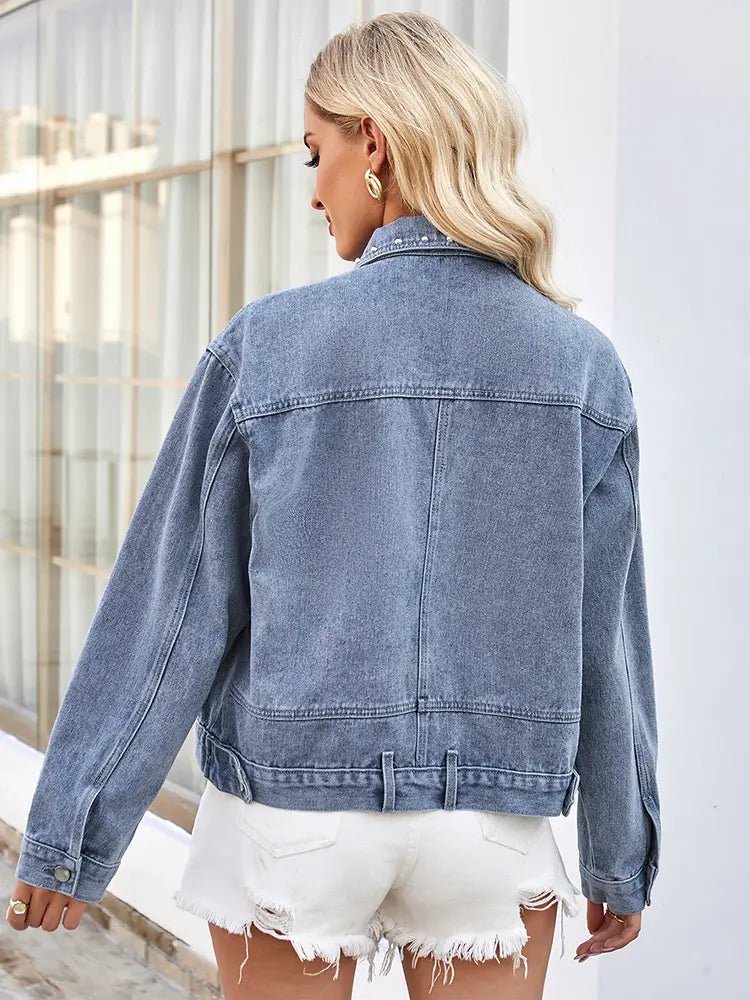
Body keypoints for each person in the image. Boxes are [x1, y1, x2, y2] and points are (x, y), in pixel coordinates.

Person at [6, 11, 661, 1000]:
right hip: (489, 827)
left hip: (291, 821)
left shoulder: (267, 346)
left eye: (316, 152)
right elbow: (604, 639)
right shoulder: (583, 366)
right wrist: (620, 848)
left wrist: (74, 831)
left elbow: (174, 610)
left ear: (375, 146)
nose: (312, 188)